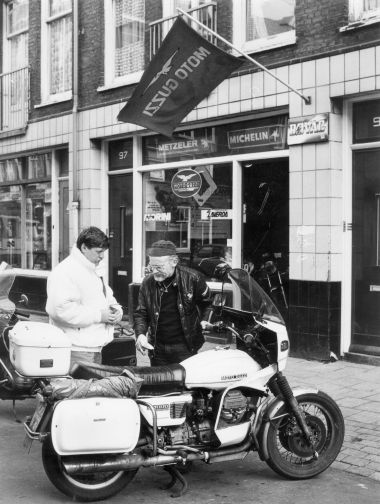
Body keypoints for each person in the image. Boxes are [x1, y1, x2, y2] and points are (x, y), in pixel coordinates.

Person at [46, 226, 123, 368]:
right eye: (99, 252)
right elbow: (60, 310)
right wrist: (99, 316)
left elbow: (106, 297)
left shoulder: (93, 269)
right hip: (76, 349)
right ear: (84, 248)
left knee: (92, 388)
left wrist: (116, 310)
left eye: (104, 252)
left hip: (93, 347)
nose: (102, 256)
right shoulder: (65, 272)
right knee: (84, 389)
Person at [134, 240, 213, 366]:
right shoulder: (147, 282)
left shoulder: (193, 278)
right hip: (156, 346)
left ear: (174, 262)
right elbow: (141, 313)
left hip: (185, 346)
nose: (154, 271)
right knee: (160, 383)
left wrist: (205, 320)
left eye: (159, 267)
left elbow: (208, 303)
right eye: (151, 267)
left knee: (185, 383)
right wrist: (141, 335)